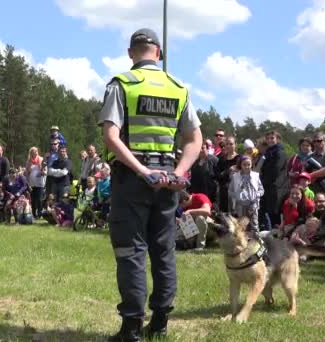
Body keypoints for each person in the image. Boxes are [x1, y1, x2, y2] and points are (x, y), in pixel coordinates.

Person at [99, 28, 202, 340]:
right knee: (163, 249)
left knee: (130, 250)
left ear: (132, 53)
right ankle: (160, 322)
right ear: (159, 53)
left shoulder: (123, 84)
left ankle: (131, 326)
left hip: (133, 179)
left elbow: (110, 137)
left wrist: (142, 170)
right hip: (168, 179)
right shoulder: (178, 88)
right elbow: (195, 139)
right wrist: (179, 173)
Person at [260, 131, 288, 229]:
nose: (270, 140)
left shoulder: (280, 152)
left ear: (277, 139)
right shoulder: (268, 152)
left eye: (272, 138)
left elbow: (276, 170)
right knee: (268, 213)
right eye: (268, 138)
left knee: (275, 215)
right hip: (268, 187)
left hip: (277, 188)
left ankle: (277, 237)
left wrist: (263, 180)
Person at [228, 156, 264, 231]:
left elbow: (261, 190)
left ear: (251, 165)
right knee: (242, 226)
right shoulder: (235, 176)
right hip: (240, 205)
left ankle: (256, 240)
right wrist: (237, 197)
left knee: (254, 225)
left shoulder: (255, 176)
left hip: (253, 205)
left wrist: (256, 195)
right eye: (244, 164)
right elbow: (230, 191)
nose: (247, 167)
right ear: (240, 165)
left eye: (248, 164)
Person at [215, 136, 240, 212]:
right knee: (223, 214)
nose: (229, 146)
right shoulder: (221, 159)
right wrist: (228, 171)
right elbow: (217, 175)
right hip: (223, 191)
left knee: (235, 214)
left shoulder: (240, 159)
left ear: (235, 144)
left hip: (236, 191)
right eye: (227, 144)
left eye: (231, 144)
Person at [25, 147, 46, 218]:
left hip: (40, 183)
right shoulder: (28, 161)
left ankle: (40, 214)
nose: (34, 153)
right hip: (32, 183)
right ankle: (34, 214)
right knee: (33, 200)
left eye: (36, 151)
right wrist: (27, 182)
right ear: (30, 153)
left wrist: (42, 172)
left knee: (39, 199)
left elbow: (45, 171)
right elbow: (27, 173)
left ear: (37, 152)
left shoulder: (41, 159)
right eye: (33, 152)